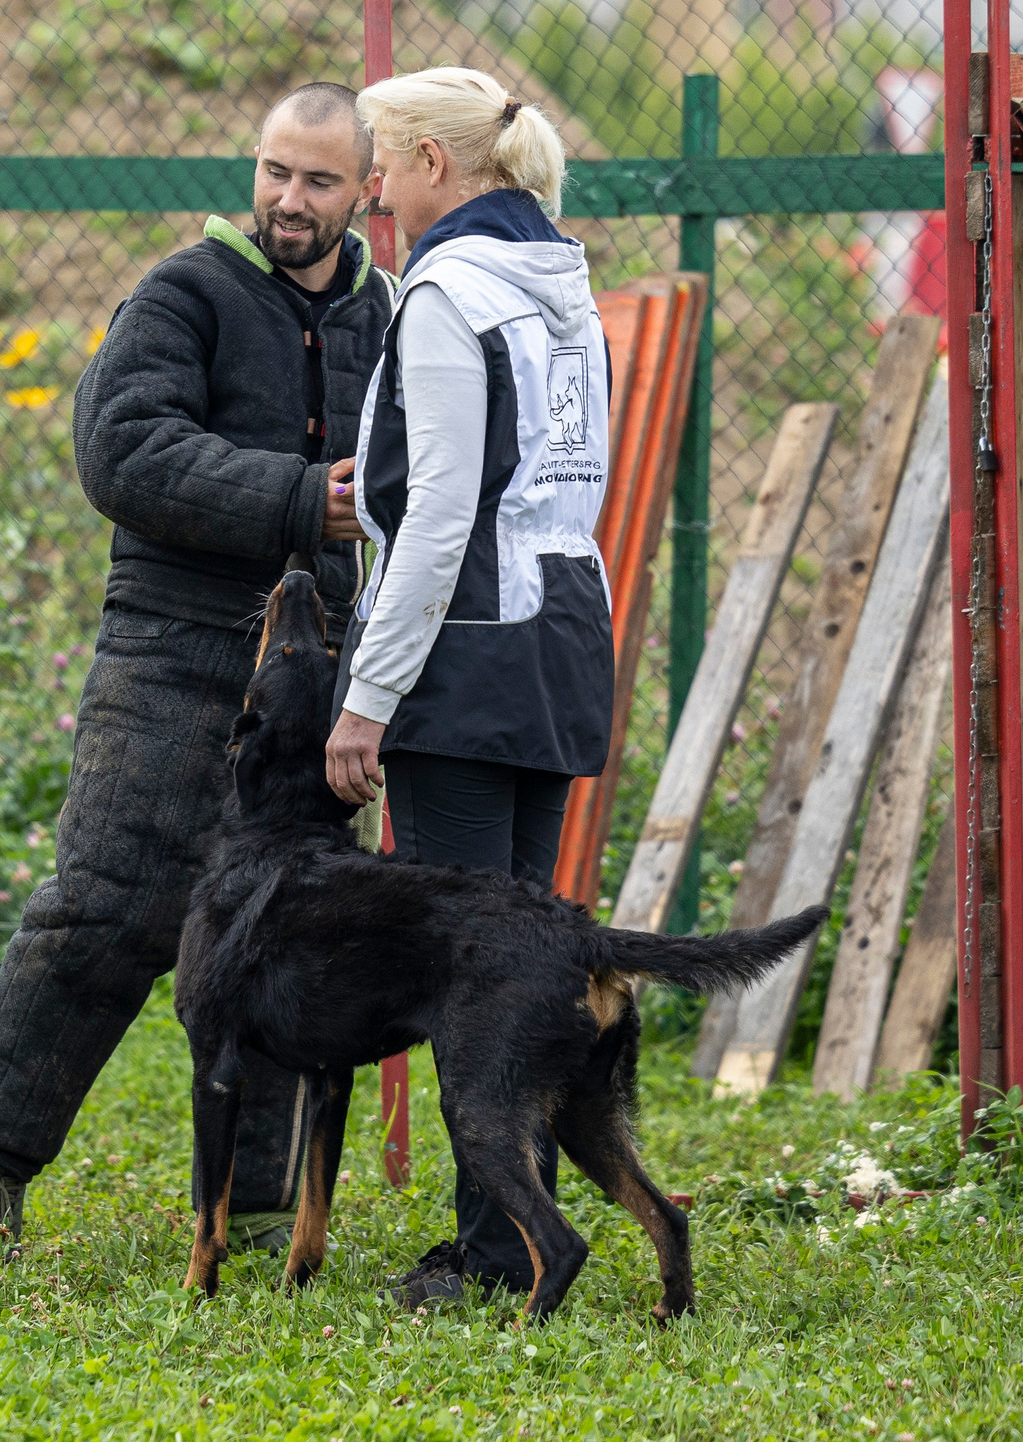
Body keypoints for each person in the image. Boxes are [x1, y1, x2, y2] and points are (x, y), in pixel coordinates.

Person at [0, 83, 397, 1260]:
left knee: (286, 923)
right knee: (103, 907)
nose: (287, 200)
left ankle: (253, 1203)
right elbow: (122, 451)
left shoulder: (388, 312)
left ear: (367, 191)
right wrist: (305, 498)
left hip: (312, 669)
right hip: (172, 649)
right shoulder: (180, 292)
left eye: (317, 181)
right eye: (273, 172)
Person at [322, 66, 614, 1308]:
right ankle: (517, 1236)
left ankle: (494, 1254)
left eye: (380, 161)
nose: (371, 186)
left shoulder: (446, 291)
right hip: (556, 637)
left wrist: (367, 695)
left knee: (470, 975)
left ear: (436, 165)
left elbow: (436, 515)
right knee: (523, 959)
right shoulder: (563, 281)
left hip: (464, 651)